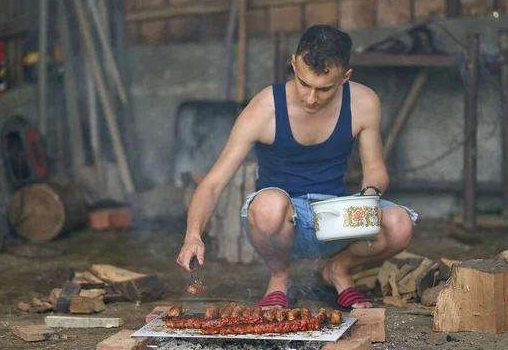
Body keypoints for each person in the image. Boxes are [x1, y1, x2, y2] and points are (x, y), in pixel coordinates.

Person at [177, 24, 418, 311]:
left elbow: (376, 168)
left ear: (345, 77)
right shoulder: (265, 108)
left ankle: (338, 270)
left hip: (334, 217)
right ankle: (280, 276)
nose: (311, 98)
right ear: (293, 63)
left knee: (399, 224)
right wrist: (192, 235)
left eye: (324, 88)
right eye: (304, 84)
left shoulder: (363, 102)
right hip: (278, 223)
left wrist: (368, 198)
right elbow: (213, 183)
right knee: (269, 206)